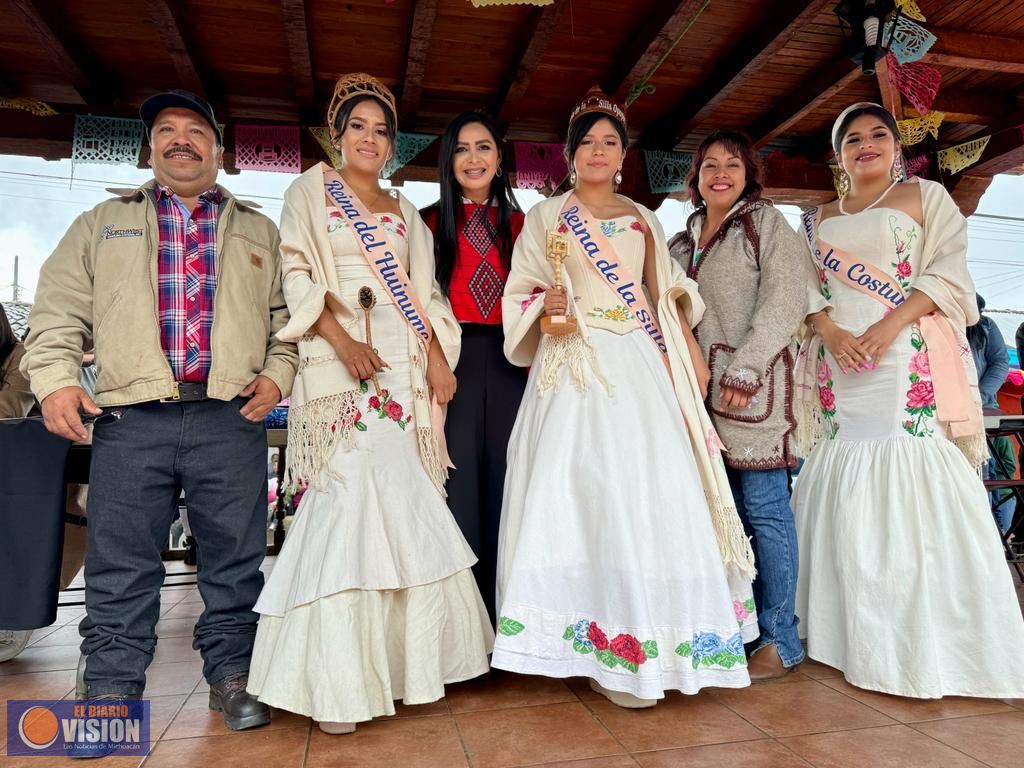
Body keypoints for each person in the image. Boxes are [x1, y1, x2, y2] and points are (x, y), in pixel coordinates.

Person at [22, 90, 297, 734]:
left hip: (230, 418)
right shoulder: (101, 223)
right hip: (130, 419)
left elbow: (287, 323)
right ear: (150, 150)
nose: (180, 139)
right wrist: (56, 381)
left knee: (234, 560)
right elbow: (57, 312)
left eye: (196, 131)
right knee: (121, 561)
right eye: (166, 130)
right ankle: (111, 692)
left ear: (218, 151)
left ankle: (233, 674)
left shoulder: (260, 231)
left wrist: (277, 374)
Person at [494, 87, 757, 709]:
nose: (598, 151)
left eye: (609, 142)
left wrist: (687, 352)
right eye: (587, 142)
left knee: (645, 492)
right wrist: (544, 308)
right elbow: (521, 289)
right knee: (577, 494)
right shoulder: (546, 216)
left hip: (638, 363)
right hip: (572, 368)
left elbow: (666, 292)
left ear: (622, 155)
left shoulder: (643, 217)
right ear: (570, 153)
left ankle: (648, 639)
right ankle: (587, 641)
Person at [246, 73, 493, 735]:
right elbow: (297, 273)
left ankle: (406, 670)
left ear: (392, 144)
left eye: (381, 130)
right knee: (347, 506)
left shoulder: (405, 211)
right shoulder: (309, 192)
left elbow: (427, 295)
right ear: (336, 133)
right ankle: (338, 685)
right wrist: (341, 341)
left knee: (404, 508)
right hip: (338, 369)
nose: (369, 138)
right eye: (357, 126)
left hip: (403, 372)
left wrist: (437, 359)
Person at [793, 101, 1024, 698]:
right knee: (841, 467)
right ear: (838, 154)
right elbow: (803, 291)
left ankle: (928, 643)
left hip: (903, 355)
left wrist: (888, 326)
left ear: (897, 147)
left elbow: (946, 274)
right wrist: (830, 332)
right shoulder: (815, 219)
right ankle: (844, 637)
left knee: (910, 465)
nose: (866, 144)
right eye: (852, 138)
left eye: (878, 134)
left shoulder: (927, 198)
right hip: (839, 363)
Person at [668, 129, 812, 680]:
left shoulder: (765, 224)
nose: (721, 173)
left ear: (749, 173)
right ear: (697, 177)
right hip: (698, 398)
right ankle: (740, 627)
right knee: (719, 515)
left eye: (732, 164)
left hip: (754, 391)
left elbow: (785, 298)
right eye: (710, 165)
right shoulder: (680, 243)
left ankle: (781, 637)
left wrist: (747, 367)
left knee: (765, 510)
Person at [421, 111, 527, 623]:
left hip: (513, 361)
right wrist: (435, 359)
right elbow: (416, 301)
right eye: (461, 149)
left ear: (499, 159)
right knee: (456, 483)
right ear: (448, 161)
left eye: (483, 147)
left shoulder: (525, 227)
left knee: (509, 480)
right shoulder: (426, 224)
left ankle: (506, 616)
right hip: (452, 360)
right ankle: (464, 623)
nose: (473, 158)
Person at [968, 293, 1015, 533]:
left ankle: (989, 538)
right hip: (940, 412)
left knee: (982, 473)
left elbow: (999, 362)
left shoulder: (986, 326)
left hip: (982, 413)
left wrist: (979, 396)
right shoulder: (935, 321)